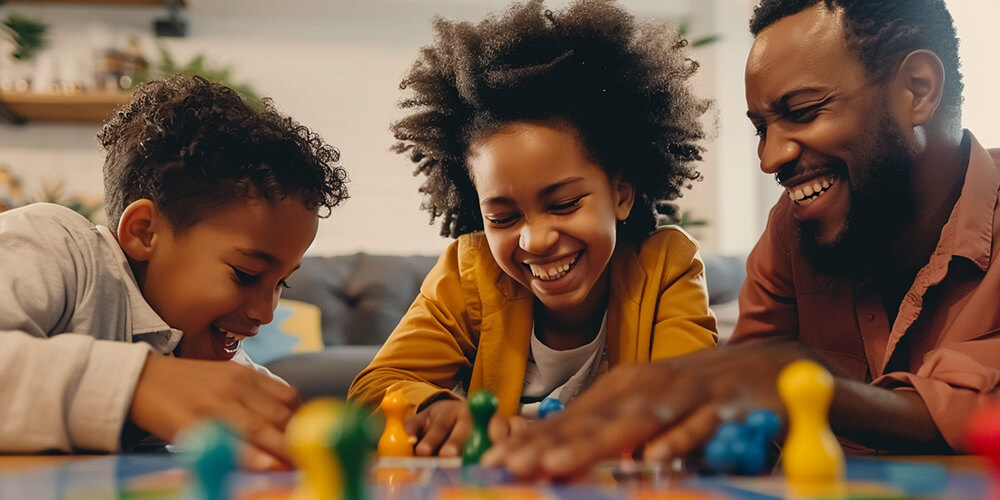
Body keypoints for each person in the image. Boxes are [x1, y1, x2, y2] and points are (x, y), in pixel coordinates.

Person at [483, 0, 1000, 478]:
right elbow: (743, 396)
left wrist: (800, 382)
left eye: (801, 112)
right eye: (761, 128)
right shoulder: (793, 228)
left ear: (918, 88)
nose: (770, 159)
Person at [348, 0, 718, 457]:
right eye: (502, 218)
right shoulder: (470, 272)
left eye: (563, 204)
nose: (535, 239)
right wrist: (433, 408)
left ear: (621, 193)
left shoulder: (667, 267)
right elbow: (375, 388)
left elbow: (687, 398)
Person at [0, 75, 349, 468]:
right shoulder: (57, 243)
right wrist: (137, 386)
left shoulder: (204, 360)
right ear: (145, 232)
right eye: (246, 273)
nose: (265, 314)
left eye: (281, 282)